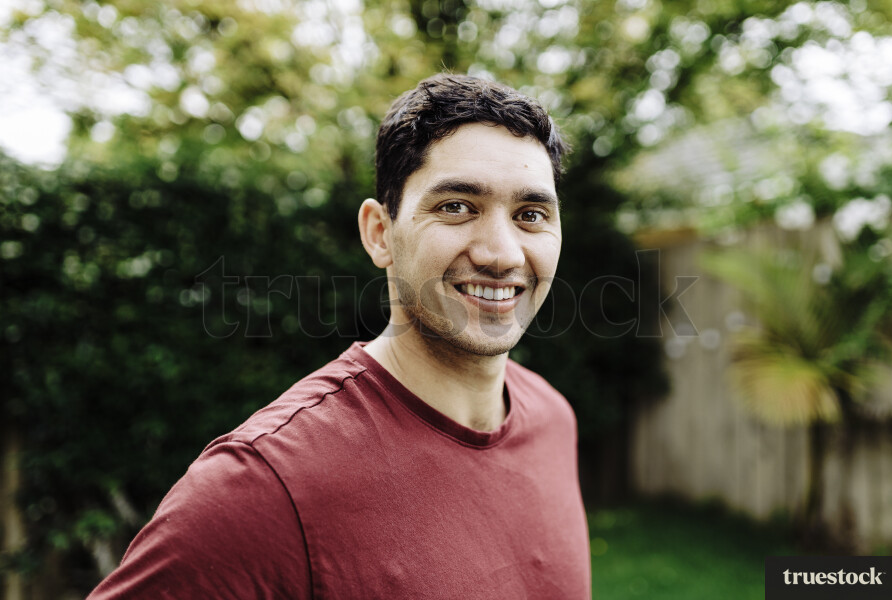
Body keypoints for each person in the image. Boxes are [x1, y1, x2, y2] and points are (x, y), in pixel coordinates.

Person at [88, 73, 591, 599]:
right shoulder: (266, 483)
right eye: (456, 207)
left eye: (531, 215)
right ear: (379, 233)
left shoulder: (554, 418)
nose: (503, 254)